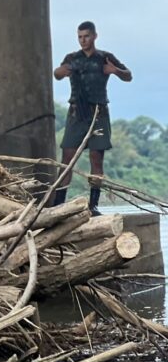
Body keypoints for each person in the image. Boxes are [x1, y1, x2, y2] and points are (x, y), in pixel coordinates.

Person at [52, 21, 132, 216]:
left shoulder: (105, 58)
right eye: (79, 37)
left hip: (99, 113)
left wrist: (115, 71)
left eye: (86, 36)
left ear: (95, 36)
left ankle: (93, 206)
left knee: (97, 161)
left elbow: (128, 75)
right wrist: (60, 72)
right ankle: (57, 205)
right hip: (76, 114)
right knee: (67, 160)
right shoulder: (72, 58)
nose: (83, 40)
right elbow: (57, 73)